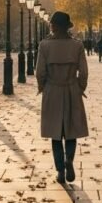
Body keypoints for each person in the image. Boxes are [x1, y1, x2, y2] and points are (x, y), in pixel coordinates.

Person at [36, 11, 89, 184]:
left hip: (52, 89)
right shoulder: (77, 45)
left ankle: (60, 171)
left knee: (55, 133)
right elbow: (84, 72)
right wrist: (80, 87)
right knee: (71, 131)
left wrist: (42, 87)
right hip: (71, 88)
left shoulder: (44, 45)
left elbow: (40, 72)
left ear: (53, 26)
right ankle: (69, 160)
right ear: (67, 27)